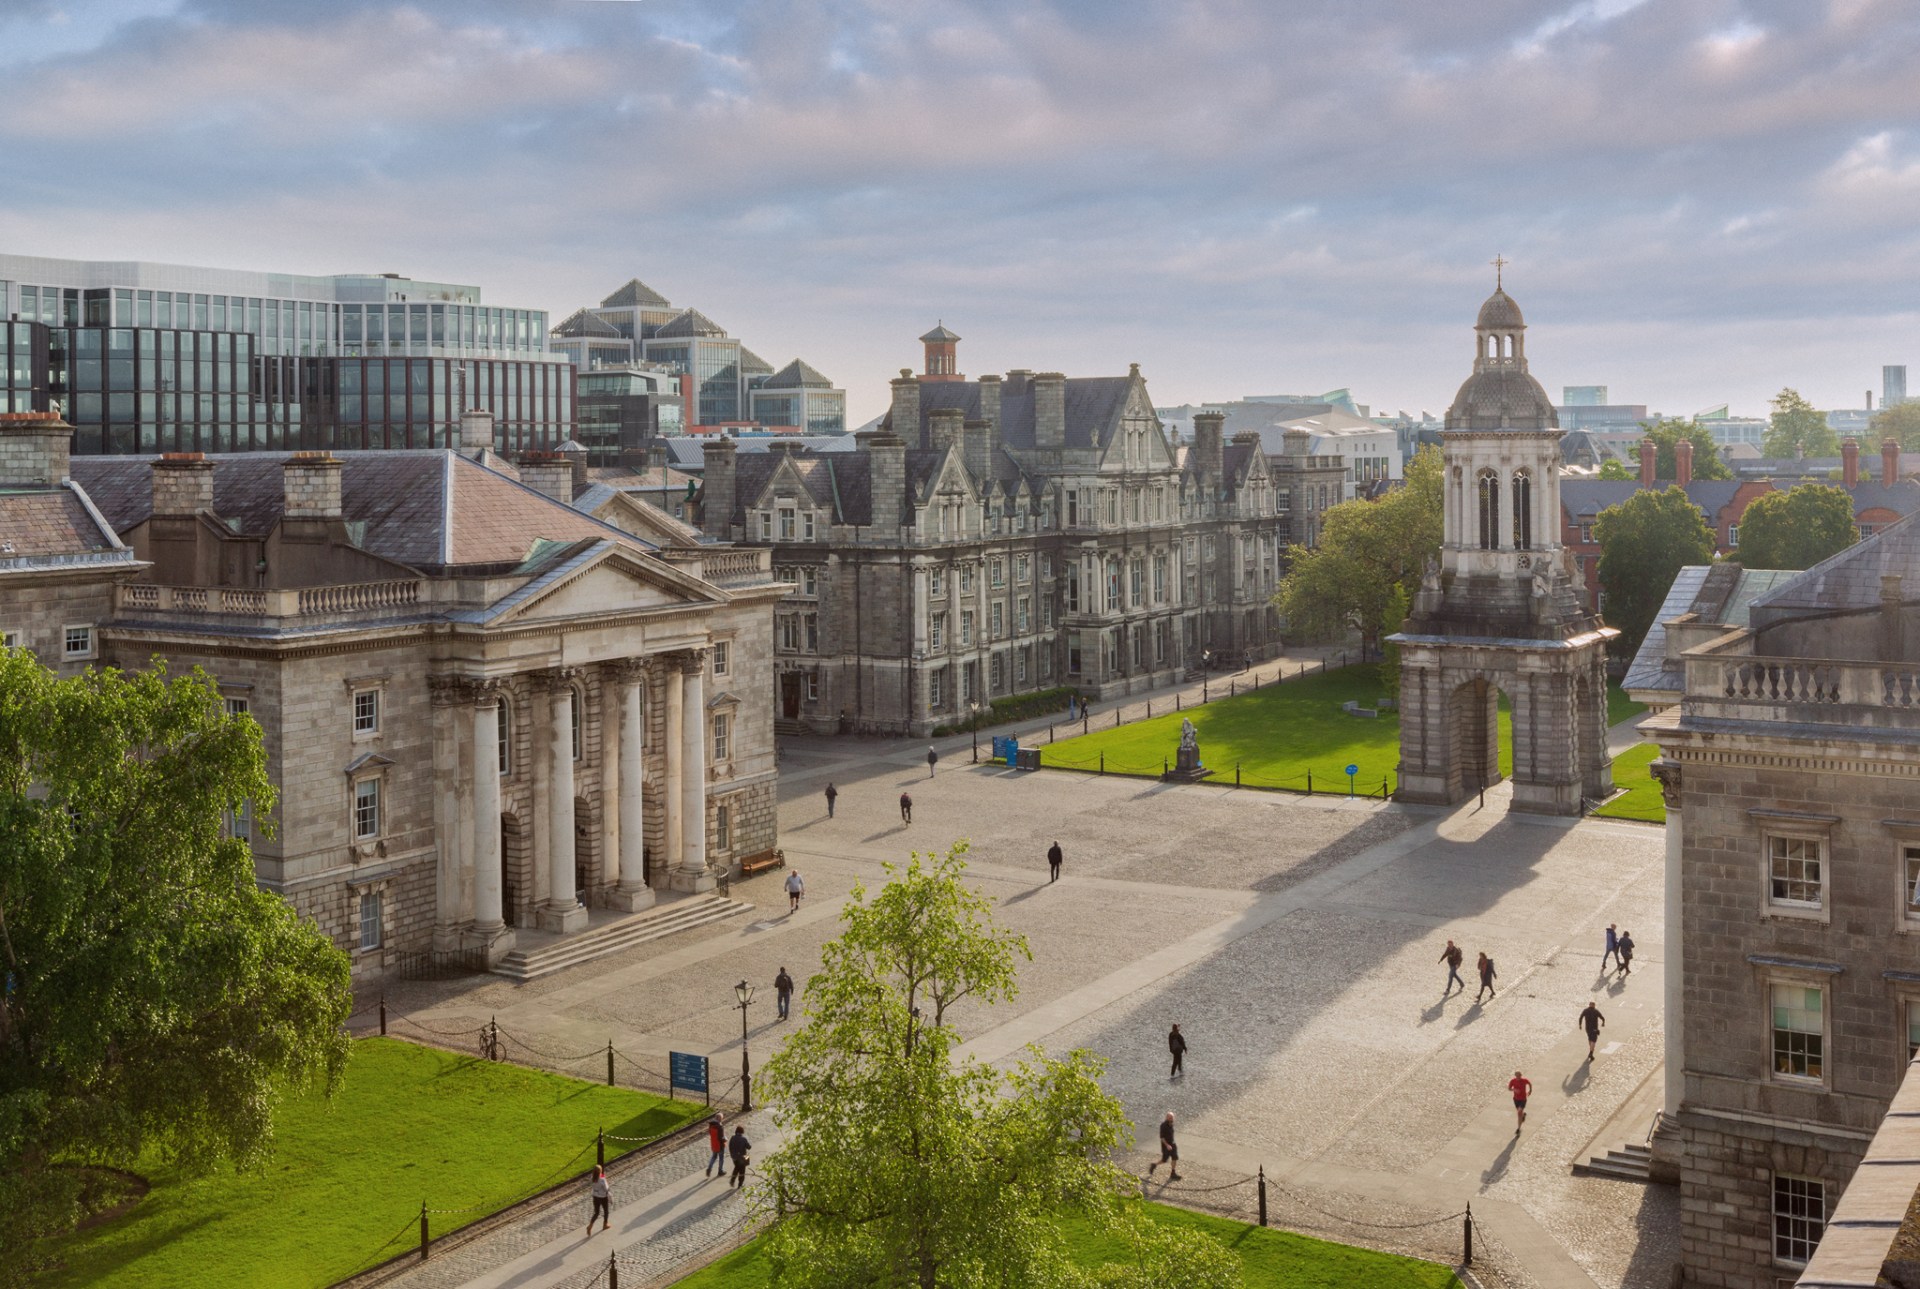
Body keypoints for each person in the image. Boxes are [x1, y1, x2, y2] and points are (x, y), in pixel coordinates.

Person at [1146, 1111, 1182, 1180]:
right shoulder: (1163, 1125)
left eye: (1172, 1117)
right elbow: (1162, 1138)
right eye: (1170, 1117)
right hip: (1166, 1146)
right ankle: (1154, 1165)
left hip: (1173, 1144)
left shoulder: (1171, 1124)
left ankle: (1173, 1173)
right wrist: (1167, 1145)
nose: (1171, 1119)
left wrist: (1172, 1144)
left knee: (1174, 1158)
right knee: (1164, 1160)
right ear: (1166, 1117)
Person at [587, 1165, 611, 1234]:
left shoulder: (592, 1178)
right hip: (602, 1196)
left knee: (596, 1212)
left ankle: (590, 1225)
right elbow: (606, 1188)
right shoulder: (602, 1179)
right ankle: (605, 1224)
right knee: (606, 1211)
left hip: (595, 1196)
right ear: (600, 1171)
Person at [703, 1112, 726, 1178]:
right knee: (721, 1158)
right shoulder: (720, 1127)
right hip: (720, 1145)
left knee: (714, 1157)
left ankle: (709, 1168)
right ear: (719, 1119)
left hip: (714, 1143)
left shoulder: (711, 1125)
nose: (722, 1120)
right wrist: (725, 1139)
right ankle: (720, 1171)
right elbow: (721, 1138)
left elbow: (710, 1133)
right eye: (721, 1119)